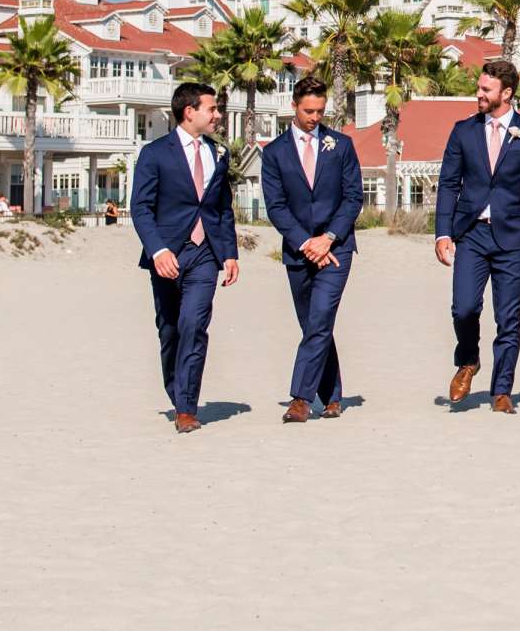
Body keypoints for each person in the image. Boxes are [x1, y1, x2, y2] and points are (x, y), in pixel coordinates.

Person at [434, 59, 520, 415]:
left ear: (507, 93)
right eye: (479, 87)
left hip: (515, 238)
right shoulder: (462, 131)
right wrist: (442, 233)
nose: (479, 94)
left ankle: (502, 390)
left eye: (486, 89)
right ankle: (468, 360)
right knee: (464, 307)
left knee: (508, 318)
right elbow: (448, 184)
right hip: (471, 234)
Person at [128, 83, 241, 433]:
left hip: (205, 254)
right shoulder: (155, 153)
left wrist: (230, 253)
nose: (217, 114)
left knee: (194, 324)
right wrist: (158, 249)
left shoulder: (219, 154)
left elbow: (222, 208)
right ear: (189, 111)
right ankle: (178, 393)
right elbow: (141, 207)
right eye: (212, 108)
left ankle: (187, 408)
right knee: (171, 330)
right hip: (167, 253)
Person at [260, 75, 364, 422]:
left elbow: (353, 198)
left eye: (320, 111)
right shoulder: (274, 152)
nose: (315, 117)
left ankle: (301, 399)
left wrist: (329, 237)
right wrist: (305, 242)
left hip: (337, 248)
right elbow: (275, 206)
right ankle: (332, 394)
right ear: (294, 105)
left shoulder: (342, 146)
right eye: (309, 111)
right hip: (298, 251)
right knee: (314, 326)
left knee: (320, 319)